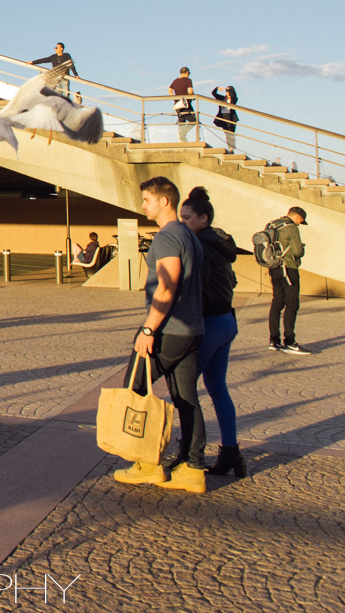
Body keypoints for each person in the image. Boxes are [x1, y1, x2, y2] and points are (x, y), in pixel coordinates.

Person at [114, 176, 206, 493]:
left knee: (135, 386)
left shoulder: (167, 236)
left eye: (146, 200)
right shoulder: (189, 235)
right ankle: (193, 469)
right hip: (193, 328)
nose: (143, 206)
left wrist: (149, 328)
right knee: (186, 398)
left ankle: (147, 463)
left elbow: (167, 286)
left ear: (163, 201)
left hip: (169, 328)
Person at [180, 187, 243, 479]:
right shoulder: (219, 242)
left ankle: (190, 454)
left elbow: (195, 290)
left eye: (188, 218)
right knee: (217, 387)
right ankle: (231, 452)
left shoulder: (200, 247)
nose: (183, 223)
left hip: (209, 324)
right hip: (227, 320)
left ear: (203, 218)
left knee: (185, 390)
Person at [267, 206, 310, 355]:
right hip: (289, 269)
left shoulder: (272, 224)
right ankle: (290, 342)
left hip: (274, 268)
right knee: (292, 304)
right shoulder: (291, 228)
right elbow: (297, 251)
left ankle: (274, 340)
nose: (299, 224)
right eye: (300, 221)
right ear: (297, 217)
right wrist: (302, 249)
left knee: (277, 302)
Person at [169, 67, 195, 141]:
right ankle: (182, 133)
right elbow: (190, 92)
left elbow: (169, 90)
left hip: (178, 105)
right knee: (194, 121)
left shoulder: (175, 81)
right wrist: (193, 96)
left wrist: (174, 98)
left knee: (181, 121)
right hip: (186, 104)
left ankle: (182, 138)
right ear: (187, 73)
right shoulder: (188, 80)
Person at [211, 86, 239, 150]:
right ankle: (230, 147)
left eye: (228, 90)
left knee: (231, 133)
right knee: (227, 134)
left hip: (231, 117)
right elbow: (214, 93)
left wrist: (228, 89)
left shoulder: (233, 99)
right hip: (223, 116)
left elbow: (232, 96)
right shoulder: (222, 98)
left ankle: (231, 148)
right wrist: (217, 88)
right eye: (226, 90)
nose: (226, 91)